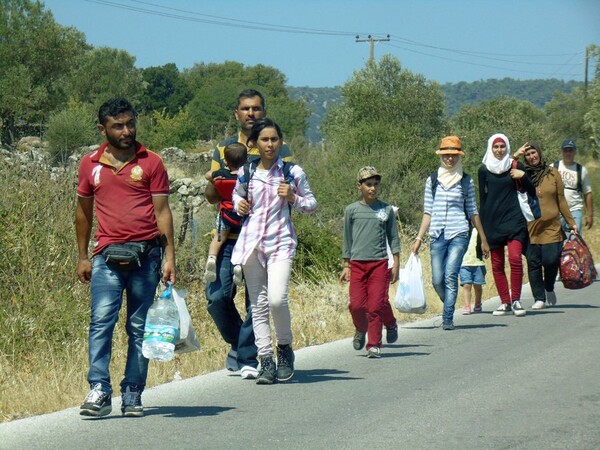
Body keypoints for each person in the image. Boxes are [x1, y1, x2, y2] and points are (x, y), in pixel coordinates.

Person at [75, 98, 176, 418]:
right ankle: (99, 389)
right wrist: (82, 256)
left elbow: (163, 212)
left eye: (130, 123)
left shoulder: (152, 162)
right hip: (106, 257)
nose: (127, 130)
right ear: (102, 128)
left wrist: (170, 256)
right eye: (118, 125)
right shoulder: (89, 164)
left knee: (139, 326)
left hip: (146, 257)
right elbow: (82, 213)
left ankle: (133, 390)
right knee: (101, 321)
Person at [203, 89, 292, 380]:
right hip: (228, 236)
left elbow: (292, 189)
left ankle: (249, 354)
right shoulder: (223, 147)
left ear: (263, 111)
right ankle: (240, 344)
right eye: (245, 109)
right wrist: (214, 183)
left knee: (259, 301)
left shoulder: (276, 146)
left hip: (263, 239)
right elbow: (213, 196)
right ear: (236, 114)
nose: (251, 113)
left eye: (256, 108)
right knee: (216, 297)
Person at [232, 118, 317, 384]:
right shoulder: (247, 172)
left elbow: (311, 204)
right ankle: (265, 360)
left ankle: (284, 348)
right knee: (257, 305)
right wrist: (239, 206)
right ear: (255, 143)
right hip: (252, 244)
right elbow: (237, 196)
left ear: (281, 141)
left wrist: (292, 197)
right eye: (265, 140)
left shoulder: (292, 172)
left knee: (277, 299)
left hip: (281, 242)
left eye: (274, 139)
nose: (270, 144)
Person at [412, 136, 490, 330]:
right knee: (437, 279)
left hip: (459, 233)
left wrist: (483, 239)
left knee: (450, 274)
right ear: (441, 156)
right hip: (437, 235)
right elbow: (428, 211)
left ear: (459, 157)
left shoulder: (466, 181)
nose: (450, 159)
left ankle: (448, 317)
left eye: (453, 155)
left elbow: (473, 210)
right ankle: (449, 300)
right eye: (446, 155)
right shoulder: (432, 181)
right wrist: (419, 238)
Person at [340, 167, 400, 357]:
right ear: (359, 186)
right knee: (356, 305)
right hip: (357, 264)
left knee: (376, 305)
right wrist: (346, 265)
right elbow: (347, 239)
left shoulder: (386, 209)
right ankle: (360, 329)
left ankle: (374, 344)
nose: (373, 188)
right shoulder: (351, 210)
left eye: (376, 184)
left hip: (379, 264)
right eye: (368, 184)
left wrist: (396, 263)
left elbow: (394, 238)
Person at [513, 141, 578, 308]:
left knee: (550, 260)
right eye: (528, 155)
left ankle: (549, 287)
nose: (531, 157)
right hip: (530, 227)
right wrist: (516, 155)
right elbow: (504, 170)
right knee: (533, 262)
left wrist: (571, 222)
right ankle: (539, 298)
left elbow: (561, 200)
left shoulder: (552, 173)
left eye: (533, 153)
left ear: (539, 153)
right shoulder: (521, 174)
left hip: (552, 227)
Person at [478, 133, 533, 317]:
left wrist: (523, 175)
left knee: (516, 259)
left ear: (507, 147)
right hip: (492, 222)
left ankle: (516, 300)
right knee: (497, 264)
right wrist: (481, 236)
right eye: (496, 147)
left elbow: (531, 189)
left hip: (514, 220)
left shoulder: (516, 166)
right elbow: (483, 201)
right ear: (490, 148)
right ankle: (505, 302)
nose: (499, 150)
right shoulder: (483, 170)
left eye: (502, 146)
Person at [204, 142, 247, 285]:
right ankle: (238, 265)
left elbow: (207, 175)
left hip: (225, 213)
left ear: (225, 161)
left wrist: (213, 177)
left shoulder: (221, 175)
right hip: (241, 214)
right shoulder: (246, 177)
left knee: (218, 238)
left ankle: (211, 258)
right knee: (243, 241)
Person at [553, 139, 593, 235]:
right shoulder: (554, 167)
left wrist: (590, 215)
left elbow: (587, 193)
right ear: (562, 151)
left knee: (573, 241)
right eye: (566, 150)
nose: (568, 153)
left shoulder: (581, 170)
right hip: (556, 212)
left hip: (574, 210)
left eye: (570, 150)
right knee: (557, 243)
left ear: (574, 151)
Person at [459, 228, 486, 315]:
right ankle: (467, 306)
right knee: (466, 285)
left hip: (478, 262)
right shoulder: (462, 231)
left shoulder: (480, 230)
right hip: (464, 263)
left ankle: (478, 303)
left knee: (478, 285)